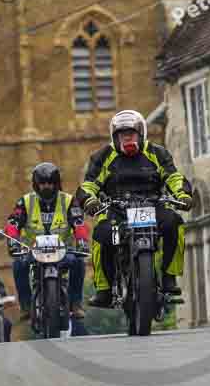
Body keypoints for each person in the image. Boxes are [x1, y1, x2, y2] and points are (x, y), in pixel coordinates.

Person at [74, 110, 193, 307]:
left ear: (141, 134)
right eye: (122, 134)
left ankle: (169, 277)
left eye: (131, 133)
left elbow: (174, 177)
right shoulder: (102, 156)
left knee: (175, 223)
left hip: (153, 207)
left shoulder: (157, 153)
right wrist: (89, 200)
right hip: (117, 210)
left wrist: (183, 195)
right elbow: (89, 185)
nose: (127, 138)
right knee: (101, 235)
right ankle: (104, 288)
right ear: (115, 137)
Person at [4, 162, 88, 320]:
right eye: (42, 183)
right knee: (18, 264)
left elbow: (79, 223)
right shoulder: (25, 202)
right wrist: (12, 241)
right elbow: (13, 223)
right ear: (36, 185)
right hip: (34, 251)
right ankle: (26, 306)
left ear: (57, 184)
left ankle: (75, 304)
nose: (46, 187)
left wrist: (82, 242)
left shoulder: (69, 201)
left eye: (50, 183)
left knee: (79, 262)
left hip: (63, 251)